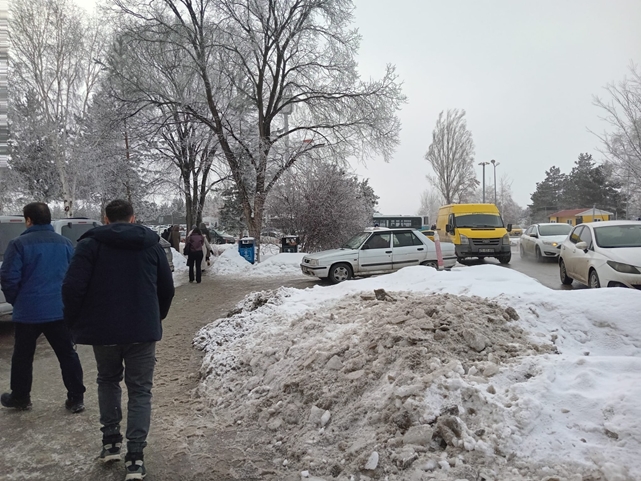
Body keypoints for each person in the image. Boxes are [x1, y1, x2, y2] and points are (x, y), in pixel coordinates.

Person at [62, 199, 174, 481]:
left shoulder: (90, 244)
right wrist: (155, 317)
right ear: (133, 218)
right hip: (142, 330)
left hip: (104, 331)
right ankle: (135, 457)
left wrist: (74, 322)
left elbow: (72, 287)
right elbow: (167, 289)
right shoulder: (151, 245)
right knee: (140, 390)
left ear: (106, 218)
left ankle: (111, 442)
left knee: (108, 380)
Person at [0, 202, 86, 413]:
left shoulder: (18, 244)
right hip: (58, 309)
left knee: (22, 356)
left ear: (28, 220)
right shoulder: (65, 243)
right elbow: (74, 276)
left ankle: (21, 397)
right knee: (67, 354)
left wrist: (17, 300)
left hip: (28, 312)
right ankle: (76, 397)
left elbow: (9, 277)